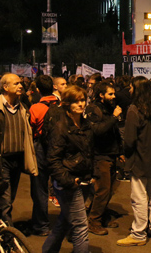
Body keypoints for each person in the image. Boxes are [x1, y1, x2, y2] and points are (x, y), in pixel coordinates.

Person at [43, 86, 105, 253]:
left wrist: (93, 174)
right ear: (67, 103)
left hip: (83, 179)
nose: (80, 104)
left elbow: (90, 151)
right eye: (76, 101)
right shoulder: (60, 127)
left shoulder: (86, 124)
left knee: (65, 221)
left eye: (83, 100)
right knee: (80, 226)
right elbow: (53, 159)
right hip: (69, 182)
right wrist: (68, 180)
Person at [0, 73, 38, 225]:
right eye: (16, 83)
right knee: (5, 201)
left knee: (9, 198)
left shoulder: (23, 108)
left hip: (17, 159)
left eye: (20, 83)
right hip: (1, 160)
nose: (20, 86)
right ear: (5, 87)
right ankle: (8, 239)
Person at [117, 76, 151, 247]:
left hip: (139, 158)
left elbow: (129, 140)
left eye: (131, 87)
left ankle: (138, 233)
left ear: (136, 89)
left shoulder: (134, 110)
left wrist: (126, 155)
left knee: (139, 197)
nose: (129, 90)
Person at [86, 81, 123, 235]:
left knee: (108, 189)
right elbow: (97, 131)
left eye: (114, 93)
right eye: (110, 94)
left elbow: (114, 132)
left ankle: (101, 216)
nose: (113, 96)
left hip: (111, 153)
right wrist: (114, 118)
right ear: (101, 95)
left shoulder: (108, 108)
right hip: (100, 155)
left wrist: (119, 151)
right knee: (102, 189)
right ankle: (94, 221)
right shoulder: (94, 109)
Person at [28, 75, 59, 236]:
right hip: (60, 149)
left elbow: (30, 129)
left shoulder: (35, 108)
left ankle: (41, 225)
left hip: (41, 148)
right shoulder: (62, 104)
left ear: (38, 90)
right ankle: (68, 223)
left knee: (39, 188)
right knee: (62, 186)